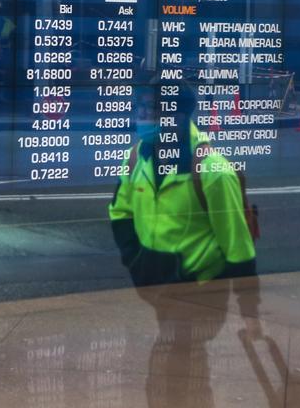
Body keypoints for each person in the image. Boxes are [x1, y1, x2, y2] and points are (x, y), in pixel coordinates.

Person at [109, 83, 261, 407]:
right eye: (140, 110)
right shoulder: (137, 157)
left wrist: (250, 310)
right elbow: (120, 210)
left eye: (152, 111)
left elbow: (238, 244)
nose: (142, 118)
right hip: (160, 285)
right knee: (181, 370)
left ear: (177, 117)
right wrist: (136, 261)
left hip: (199, 289)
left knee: (173, 364)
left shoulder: (212, 171)